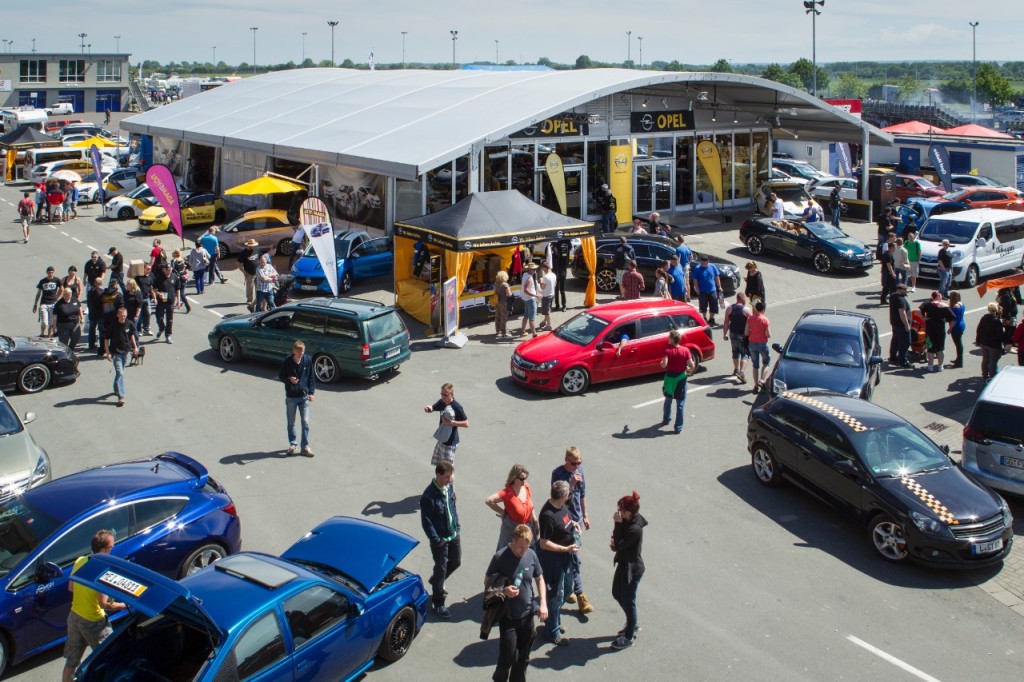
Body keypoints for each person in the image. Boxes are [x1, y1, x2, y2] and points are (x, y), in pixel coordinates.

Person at [61, 530, 126, 682]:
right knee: (110, 659)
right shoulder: (103, 570)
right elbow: (104, 604)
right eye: (111, 547)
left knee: (71, 662)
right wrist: (122, 605)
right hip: (94, 622)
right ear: (103, 550)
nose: (112, 549)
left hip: (75, 616)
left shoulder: (81, 560)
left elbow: (71, 587)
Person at [485, 524, 546, 682]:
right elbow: (487, 581)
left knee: (523, 659)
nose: (523, 551)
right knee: (507, 659)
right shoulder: (500, 557)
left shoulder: (531, 555)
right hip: (509, 617)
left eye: (526, 547)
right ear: (513, 540)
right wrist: (505, 590)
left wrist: (543, 603)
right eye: (520, 547)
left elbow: (539, 578)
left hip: (527, 616)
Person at [551, 446, 592, 616]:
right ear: (566, 460)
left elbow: (582, 495)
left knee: (573, 556)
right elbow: (558, 500)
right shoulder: (558, 474)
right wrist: (571, 484)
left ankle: (570, 589)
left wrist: (585, 515)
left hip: (576, 519)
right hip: (564, 519)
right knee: (573, 556)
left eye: (579, 463)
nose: (577, 466)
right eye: (574, 463)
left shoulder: (580, 471)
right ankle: (580, 594)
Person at [537, 480, 578, 647]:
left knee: (568, 588)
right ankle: (552, 630)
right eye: (567, 494)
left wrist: (574, 525)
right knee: (556, 594)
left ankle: (553, 619)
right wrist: (565, 548)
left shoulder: (562, 507)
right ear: (563, 496)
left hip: (566, 556)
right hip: (554, 560)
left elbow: (567, 521)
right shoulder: (547, 515)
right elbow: (543, 543)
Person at [420, 461, 460, 620]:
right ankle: (438, 602)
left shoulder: (448, 487)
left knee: (456, 562)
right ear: (438, 475)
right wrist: (437, 540)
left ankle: (436, 580)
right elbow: (426, 522)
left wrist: (457, 526)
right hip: (441, 539)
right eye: (446, 477)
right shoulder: (428, 496)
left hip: (453, 534)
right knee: (441, 568)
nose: (449, 480)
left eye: (450, 476)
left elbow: (452, 507)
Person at [610, 491, 647, 650]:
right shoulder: (630, 520)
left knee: (628, 600)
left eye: (621, 510)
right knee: (617, 593)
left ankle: (629, 635)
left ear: (628, 512)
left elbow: (619, 545)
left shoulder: (634, 529)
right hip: (624, 564)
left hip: (632, 569)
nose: (618, 512)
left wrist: (617, 524)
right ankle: (633, 621)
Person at [486, 464, 538, 550]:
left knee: (529, 552)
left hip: (528, 528)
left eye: (525, 478)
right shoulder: (507, 493)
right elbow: (489, 500)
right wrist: (503, 513)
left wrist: (535, 522)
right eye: (522, 479)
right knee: (509, 554)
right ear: (514, 478)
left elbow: (530, 505)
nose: (524, 481)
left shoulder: (526, 487)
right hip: (512, 531)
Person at [279, 340, 315, 456]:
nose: (301, 355)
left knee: (305, 422)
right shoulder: (287, 362)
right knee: (291, 422)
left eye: (303, 352)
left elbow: (311, 376)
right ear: (294, 351)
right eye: (299, 352)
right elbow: (281, 376)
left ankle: (304, 447)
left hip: (304, 396)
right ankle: (293, 444)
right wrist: (289, 380)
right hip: (291, 397)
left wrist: (311, 392)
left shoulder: (307, 360)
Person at [660, 328, 696, 432]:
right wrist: (688, 369)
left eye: (669, 337)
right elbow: (692, 365)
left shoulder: (667, 349)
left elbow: (664, 365)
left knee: (668, 400)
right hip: (681, 379)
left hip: (669, 379)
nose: (668, 338)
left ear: (672, 339)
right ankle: (678, 427)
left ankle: (666, 419)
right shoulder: (685, 350)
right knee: (680, 403)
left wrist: (661, 363)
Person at [425, 382, 468, 465]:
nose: (443, 397)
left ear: (451, 394)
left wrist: (451, 422)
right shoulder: (442, 402)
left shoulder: (457, 407)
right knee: (440, 467)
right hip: (442, 440)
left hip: (450, 443)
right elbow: (433, 408)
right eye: (442, 394)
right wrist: (429, 408)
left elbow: (466, 424)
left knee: (447, 471)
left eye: (446, 395)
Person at [104, 307, 137, 407]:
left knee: (120, 373)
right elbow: (106, 339)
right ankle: (121, 396)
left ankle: (115, 387)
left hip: (126, 351)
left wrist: (135, 347)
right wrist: (108, 352)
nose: (123, 317)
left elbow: (131, 335)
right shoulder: (113, 325)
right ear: (118, 315)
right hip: (116, 352)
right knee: (120, 372)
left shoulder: (129, 323)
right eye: (122, 316)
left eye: (125, 316)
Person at [920, 291, 954, 372]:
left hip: (930, 330)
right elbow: (953, 319)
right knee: (940, 348)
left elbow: (917, 310)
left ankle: (930, 366)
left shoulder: (927, 304)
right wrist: (950, 329)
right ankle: (940, 366)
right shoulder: (944, 306)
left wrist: (923, 318)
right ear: (938, 297)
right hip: (940, 330)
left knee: (930, 348)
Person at [723, 292, 752, 382]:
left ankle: (736, 369)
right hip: (742, 335)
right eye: (744, 298)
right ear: (741, 298)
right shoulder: (746, 310)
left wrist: (725, 334)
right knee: (745, 354)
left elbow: (726, 322)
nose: (745, 300)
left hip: (733, 334)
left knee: (735, 352)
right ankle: (742, 372)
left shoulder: (729, 308)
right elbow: (752, 322)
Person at [746, 300, 771, 392]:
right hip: (762, 344)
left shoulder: (750, 319)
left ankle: (756, 385)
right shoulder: (765, 320)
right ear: (763, 310)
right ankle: (762, 380)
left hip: (752, 344)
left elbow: (746, 332)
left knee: (755, 365)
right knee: (766, 362)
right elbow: (769, 335)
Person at [690, 255, 723, 326]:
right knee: (703, 305)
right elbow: (695, 280)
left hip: (712, 290)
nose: (703, 263)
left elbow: (716, 277)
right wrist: (697, 289)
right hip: (702, 291)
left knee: (713, 305)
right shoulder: (697, 268)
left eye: (704, 262)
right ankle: (704, 318)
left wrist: (719, 287)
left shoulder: (712, 267)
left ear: (708, 261)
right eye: (702, 261)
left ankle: (711, 319)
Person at [976, 302, 1005, 381]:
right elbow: (1000, 335)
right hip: (994, 345)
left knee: (985, 360)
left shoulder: (984, 318)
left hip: (984, 342)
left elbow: (979, 329)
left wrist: (978, 340)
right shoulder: (997, 321)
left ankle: (985, 375)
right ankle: (992, 377)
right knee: (993, 361)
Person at [153, 263, 179, 343]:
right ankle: (161, 328)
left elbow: (178, 289)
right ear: (163, 270)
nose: (170, 270)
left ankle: (168, 335)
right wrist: (158, 294)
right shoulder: (159, 277)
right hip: (161, 300)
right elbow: (154, 288)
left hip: (171, 300)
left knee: (170, 319)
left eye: (170, 268)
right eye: (168, 269)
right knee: (159, 318)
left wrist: (178, 301)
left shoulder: (175, 277)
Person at [888, 283, 912, 368]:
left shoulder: (893, 296)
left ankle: (893, 357)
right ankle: (903, 361)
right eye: (905, 290)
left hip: (894, 323)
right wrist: (906, 325)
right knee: (905, 342)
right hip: (901, 325)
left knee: (895, 340)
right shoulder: (900, 299)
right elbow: (902, 313)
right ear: (900, 290)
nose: (906, 292)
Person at [33, 266, 61, 337]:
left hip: (53, 303)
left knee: (51, 323)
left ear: (53, 273)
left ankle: (48, 336)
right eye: (49, 272)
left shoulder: (57, 280)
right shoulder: (42, 281)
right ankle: (42, 334)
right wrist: (35, 304)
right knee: (44, 322)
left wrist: (57, 298)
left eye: (52, 272)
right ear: (47, 273)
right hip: (44, 303)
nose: (50, 274)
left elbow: (62, 289)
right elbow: (38, 293)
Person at [238, 239, 261, 311]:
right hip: (249, 273)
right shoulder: (244, 253)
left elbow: (261, 258)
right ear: (248, 245)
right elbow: (238, 263)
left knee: (258, 287)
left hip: (258, 272)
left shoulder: (257, 250)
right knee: (249, 287)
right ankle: (249, 300)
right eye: (252, 246)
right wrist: (243, 271)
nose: (253, 247)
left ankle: (257, 299)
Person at [519, 262, 541, 338]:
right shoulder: (530, 278)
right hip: (530, 299)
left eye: (535, 269)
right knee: (532, 318)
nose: (535, 271)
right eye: (534, 269)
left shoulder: (525, 274)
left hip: (525, 298)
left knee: (526, 315)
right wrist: (536, 295)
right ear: (530, 269)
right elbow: (526, 290)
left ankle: (523, 331)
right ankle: (534, 334)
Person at [134, 263, 155, 335]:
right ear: (143, 269)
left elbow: (151, 288)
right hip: (139, 299)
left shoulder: (151, 276)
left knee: (148, 314)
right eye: (148, 269)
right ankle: (138, 330)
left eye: (150, 269)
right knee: (139, 315)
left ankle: (146, 329)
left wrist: (154, 298)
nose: (149, 270)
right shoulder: (138, 277)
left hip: (147, 298)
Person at [551, 239, 571, 311]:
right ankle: (557, 305)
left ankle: (564, 305)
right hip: (555, 270)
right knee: (556, 289)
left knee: (562, 289)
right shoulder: (554, 243)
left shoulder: (566, 242)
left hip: (562, 270)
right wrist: (553, 248)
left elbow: (569, 247)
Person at [948, 290, 966, 368]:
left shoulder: (955, 307)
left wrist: (949, 329)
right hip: (961, 324)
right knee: (959, 344)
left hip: (956, 327)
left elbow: (953, 320)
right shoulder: (961, 304)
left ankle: (959, 362)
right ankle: (958, 359)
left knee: (958, 344)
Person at [170, 249, 191, 314]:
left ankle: (186, 305)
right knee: (181, 292)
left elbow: (172, 270)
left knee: (176, 293)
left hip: (177, 279)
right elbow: (189, 266)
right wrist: (186, 272)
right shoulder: (183, 260)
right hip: (184, 278)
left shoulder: (173, 261)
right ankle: (182, 304)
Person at [879, 232, 897, 305]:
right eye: (894, 248)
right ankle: (892, 301)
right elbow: (889, 265)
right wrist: (893, 273)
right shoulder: (888, 255)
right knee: (893, 288)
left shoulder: (888, 254)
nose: (895, 249)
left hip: (888, 273)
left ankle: (883, 299)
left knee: (886, 288)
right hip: (889, 274)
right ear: (891, 248)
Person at [538, 262, 556, 331]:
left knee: (547, 312)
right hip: (552, 294)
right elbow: (555, 284)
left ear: (545, 268)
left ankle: (549, 325)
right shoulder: (553, 275)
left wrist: (540, 282)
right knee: (547, 310)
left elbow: (542, 287)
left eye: (543, 269)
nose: (543, 270)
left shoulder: (545, 277)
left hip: (546, 296)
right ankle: (544, 322)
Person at [494, 270, 512, 339]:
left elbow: (495, 292)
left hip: (497, 302)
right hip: (504, 303)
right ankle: (504, 333)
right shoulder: (505, 284)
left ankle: (498, 331)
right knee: (503, 318)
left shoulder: (496, 283)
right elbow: (509, 294)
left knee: (497, 317)